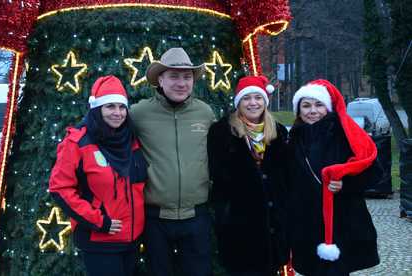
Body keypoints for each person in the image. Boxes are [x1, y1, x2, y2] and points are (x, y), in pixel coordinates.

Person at [49, 75, 147, 276]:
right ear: (97, 109)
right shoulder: (78, 143)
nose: (117, 113)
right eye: (110, 106)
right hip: (100, 242)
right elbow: (60, 189)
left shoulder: (132, 140)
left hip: (133, 240)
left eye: (121, 107)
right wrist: (99, 221)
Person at [130, 47, 216, 276]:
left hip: (196, 217)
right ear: (160, 79)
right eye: (174, 76)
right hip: (155, 220)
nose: (181, 83)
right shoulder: (139, 113)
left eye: (187, 77)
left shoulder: (205, 113)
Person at [288, 79, 380, 276]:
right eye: (306, 105)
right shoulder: (293, 139)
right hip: (307, 223)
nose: (312, 111)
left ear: (327, 107)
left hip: (342, 221)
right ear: (298, 110)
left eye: (319, 104)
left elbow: (374, 171)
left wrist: (346, 184)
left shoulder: (345, 134)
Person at [207, 76, 290, 276]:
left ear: (265, 102)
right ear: (238, 102)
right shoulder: (222, 132)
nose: (253, 103)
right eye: (247, 99)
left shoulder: (278, 132)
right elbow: (217, 176)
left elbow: (286, 177)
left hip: (272, 227)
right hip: (239, 227)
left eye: (257, 98)